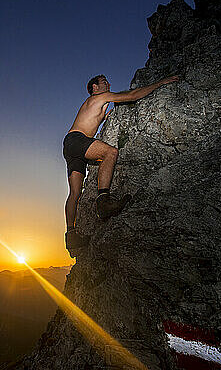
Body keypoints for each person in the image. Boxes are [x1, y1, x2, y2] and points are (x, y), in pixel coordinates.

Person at [63, 74, 179, 256]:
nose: (108, 84)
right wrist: (160, 83)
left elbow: (100, 118)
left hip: (70, 145)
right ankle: (103, 202)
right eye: (103, 82)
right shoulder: (98, 97)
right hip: (78, 140)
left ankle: (71, 236)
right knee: (111, 153)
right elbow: (132, 95)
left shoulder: (96, 104)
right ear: (94, 87)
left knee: (75, 193)